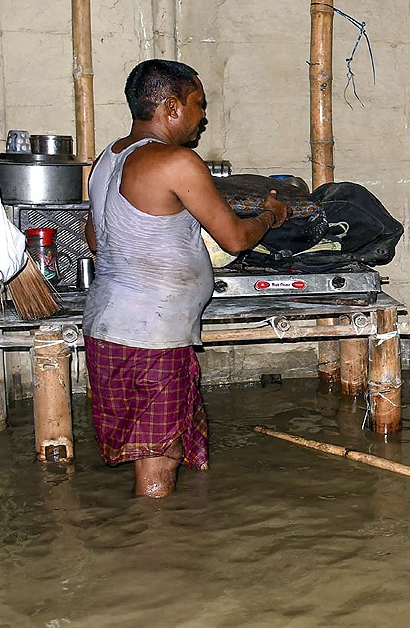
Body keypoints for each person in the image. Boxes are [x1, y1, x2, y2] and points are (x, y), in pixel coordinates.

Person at [83, 59, 292, 497]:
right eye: (198, 104)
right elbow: (235, 238)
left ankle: (165, 546)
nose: (203, 116)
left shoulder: (109, 157)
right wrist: (269, 216)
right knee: (159, 460)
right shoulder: (175, 160)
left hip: (109, 326)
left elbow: (96, 240)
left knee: (159, 446)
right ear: (172, 106)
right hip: (150, 336)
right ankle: (159, 550)